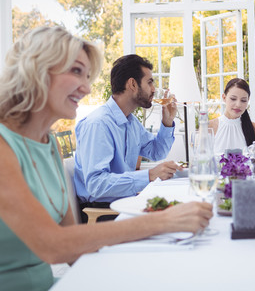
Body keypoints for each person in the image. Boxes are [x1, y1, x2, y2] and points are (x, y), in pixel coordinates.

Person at [0, 27, 212, 291]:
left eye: (87, 76)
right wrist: (163, 221)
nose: (86, 87)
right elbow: (53, 245)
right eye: (75, 72)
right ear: (36, 71)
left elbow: (73, 252)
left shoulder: (47, 144)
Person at [74, 54, 182, 222]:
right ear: (132, 84)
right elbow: (96, 185)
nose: (154, 89)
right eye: (149, 82)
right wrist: (149, 175)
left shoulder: (131, 122)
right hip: (103, 213)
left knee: (180, 210)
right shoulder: (98, 124)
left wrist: (167, 122)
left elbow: (156, 152)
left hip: (124, 203)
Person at [208, 78, 255, 155]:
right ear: (224, 98)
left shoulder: (254, 128)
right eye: (233, 99)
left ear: (248, 100)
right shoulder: (210, 126)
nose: (238, 105)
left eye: (243, 100)